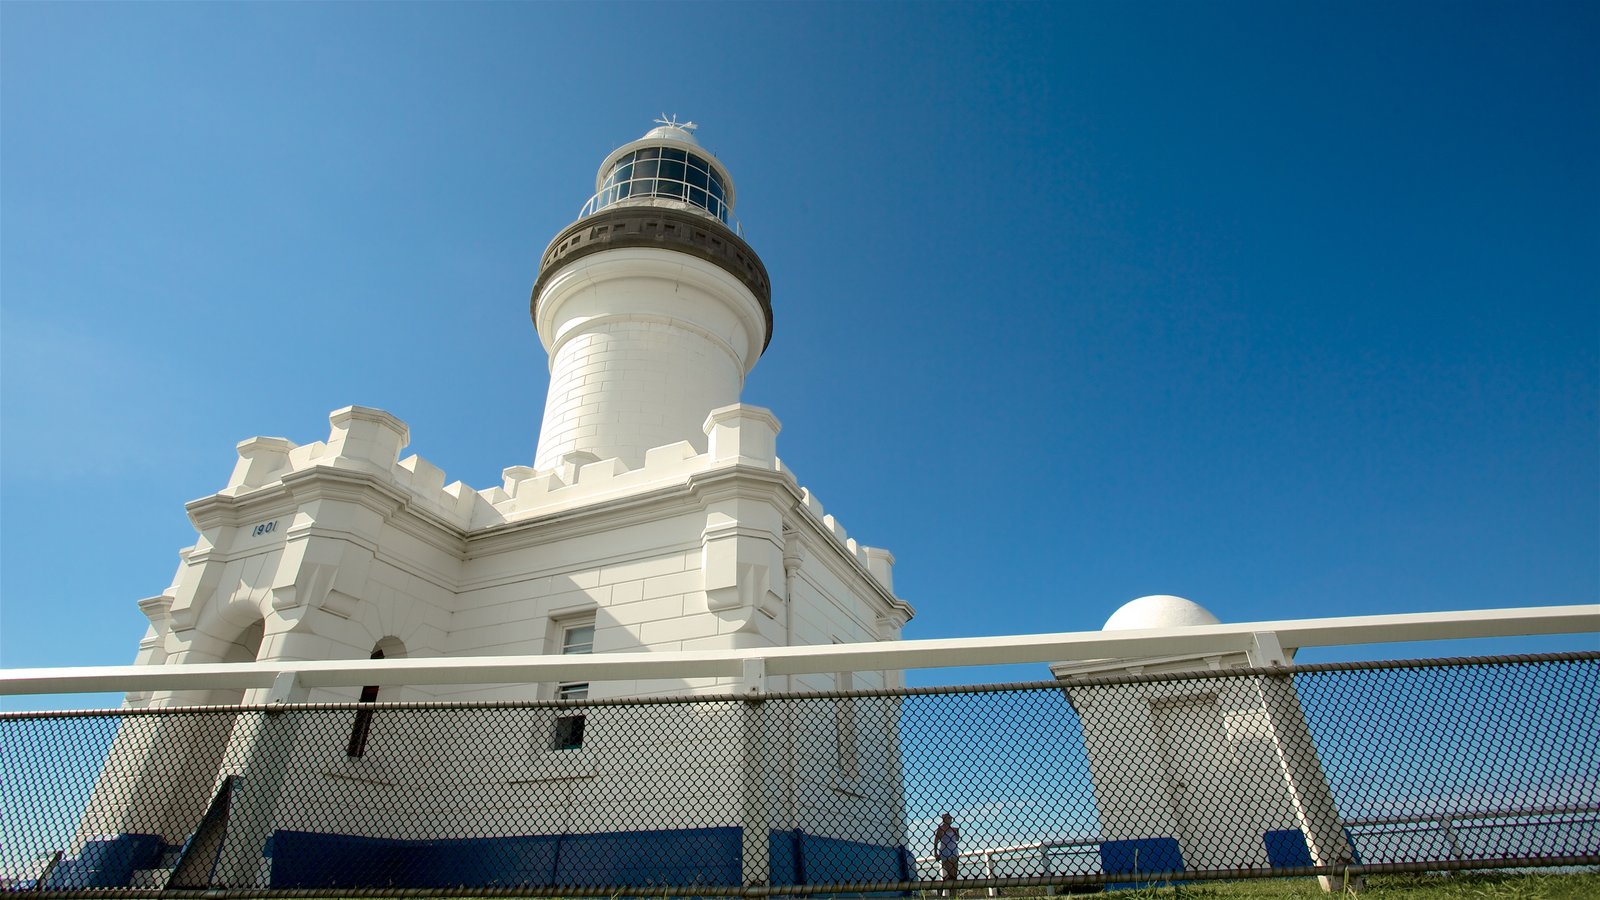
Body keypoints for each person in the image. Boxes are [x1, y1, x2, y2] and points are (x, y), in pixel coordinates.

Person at [933, 813, 960, 884]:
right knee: (951, 874)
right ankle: (944, 886)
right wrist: (935, 852)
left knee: (954, 874)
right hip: (945, 852)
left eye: (951, 818)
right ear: (944, 819)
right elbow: (936, 840)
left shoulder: (953, 829)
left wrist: (957, 831)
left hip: (954, 851)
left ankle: (952, 892)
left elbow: (957, 839)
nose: (950, 819)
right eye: (948, 818)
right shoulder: (941, 829)